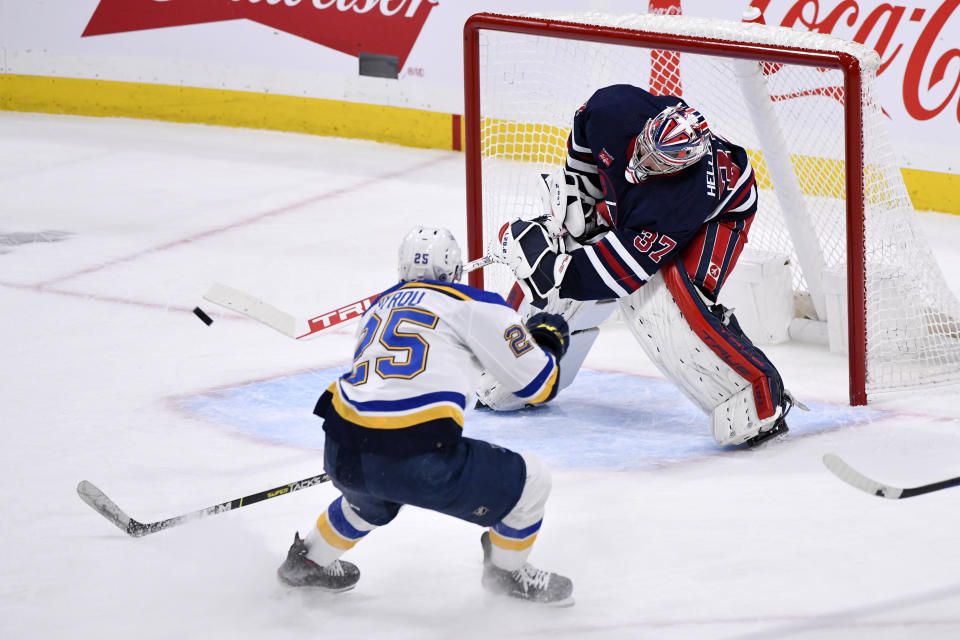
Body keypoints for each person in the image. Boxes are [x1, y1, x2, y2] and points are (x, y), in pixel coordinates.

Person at [486, 84, 800, 448]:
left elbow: (622, 274)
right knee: (567, 231)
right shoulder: (612, 108)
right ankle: (514, 371)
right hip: (653, 200)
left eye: (655, 164)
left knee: (672, 304)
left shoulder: (678, 200)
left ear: (677, 166)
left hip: (722, 212)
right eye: (644, 150)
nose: (642, 163)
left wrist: (553, 272)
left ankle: (761, 396)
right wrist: (583, 195)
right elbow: (585, 132)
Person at [277, 226, 575, 606]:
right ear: (455, 269)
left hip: (341, 449)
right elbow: (539, 384)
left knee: (368, 496)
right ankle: (506, 573)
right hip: (415, 459)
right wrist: (547, 340)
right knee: (533, 482)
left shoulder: (377, 308)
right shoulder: (471, 302)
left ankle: (306, 562)